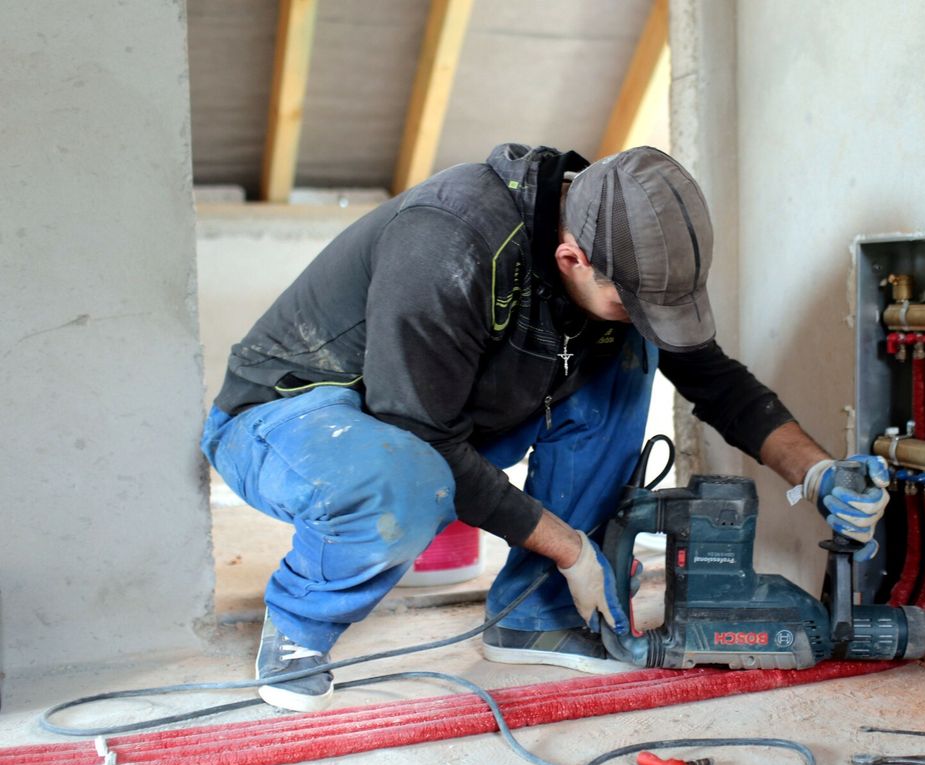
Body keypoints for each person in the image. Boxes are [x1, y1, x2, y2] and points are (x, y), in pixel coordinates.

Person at [201, 144, 889, 713]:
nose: (641, 314)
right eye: (630, 300)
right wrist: (570, 547)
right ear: (571, 261)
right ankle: (299, 629)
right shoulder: (450, 243)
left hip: (440, 416)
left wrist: (818, 471)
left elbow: (712, 378)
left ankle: (533, 613)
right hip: (293, 420)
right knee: (407, 479)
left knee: (628, 353)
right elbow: (419, 432)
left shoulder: (611, 239)